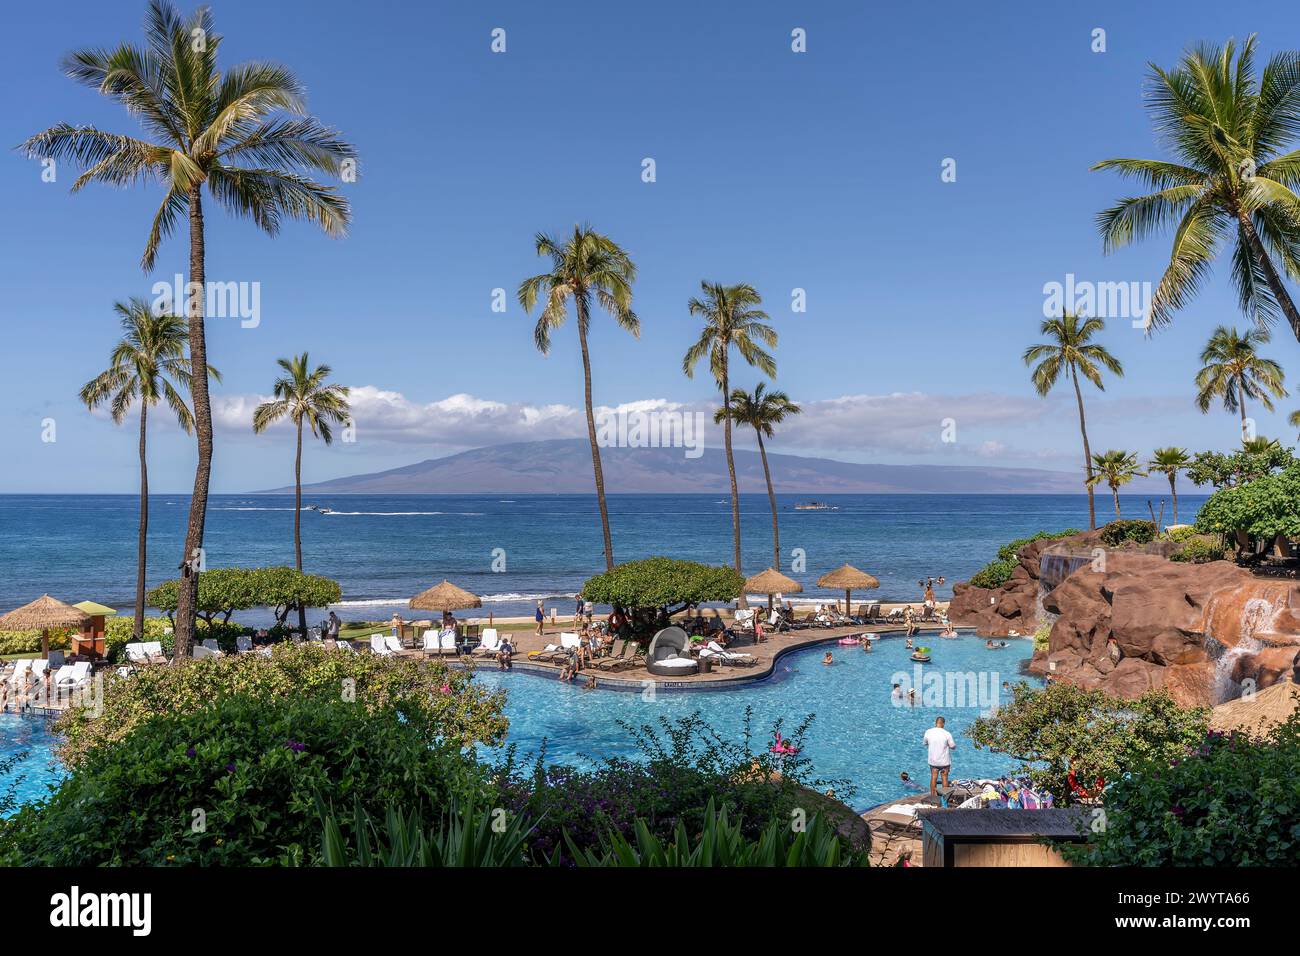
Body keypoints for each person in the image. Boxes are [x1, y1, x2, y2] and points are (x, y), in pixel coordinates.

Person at [923, 716, 957, 797]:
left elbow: (925, 743)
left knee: (934, 777)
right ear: (943, 724)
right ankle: (945, 798)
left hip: (933, 761)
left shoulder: (928, 732)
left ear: (936, 723)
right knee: (944, 778)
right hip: (944, 762)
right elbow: (953, 746)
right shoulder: (947, 733)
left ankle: (933, 796)